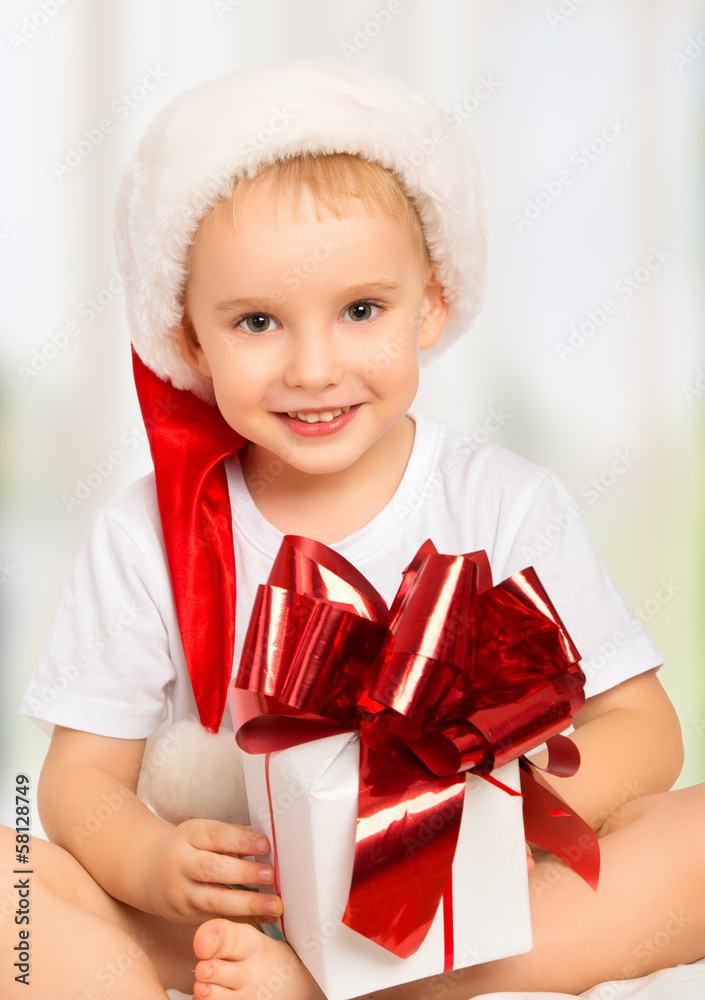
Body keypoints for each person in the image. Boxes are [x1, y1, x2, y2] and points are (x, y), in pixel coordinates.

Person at [5, 58, 705, 1000]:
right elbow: (77, 782)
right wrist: (154, 861)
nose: (313, 366)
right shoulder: (146, 532)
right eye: (257, 321)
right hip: (239, 907)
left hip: (459, 902)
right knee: (13, 879)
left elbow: (646, 733)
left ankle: (374, 986)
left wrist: (472, 813)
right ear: (188, 340)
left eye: (361, 310)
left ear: (433, 305)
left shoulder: (501, 502)